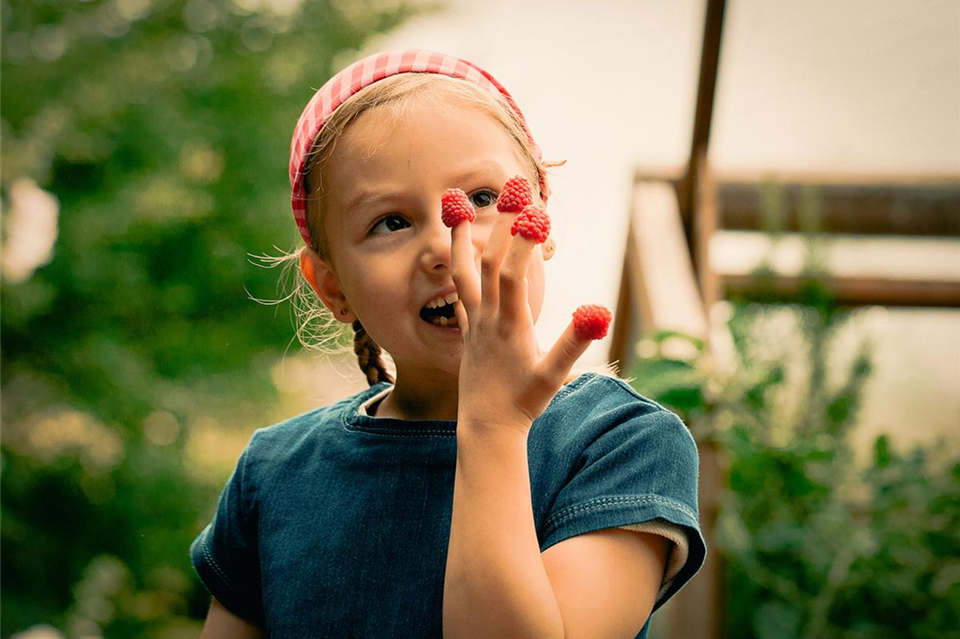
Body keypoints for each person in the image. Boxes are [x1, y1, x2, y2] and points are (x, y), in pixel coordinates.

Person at [190, 49, 706, 639]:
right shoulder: (272, 474)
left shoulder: (621, 444)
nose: (445, 245)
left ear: (541, 222)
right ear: (333, 287)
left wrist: (493, 425)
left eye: (483, 199)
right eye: (391, 222)